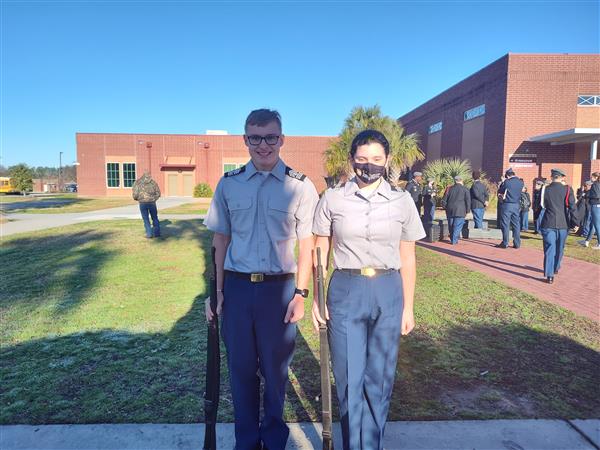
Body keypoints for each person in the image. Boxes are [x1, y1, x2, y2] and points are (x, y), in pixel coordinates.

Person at [204, 109, 319, 450]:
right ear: (245, 140)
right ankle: (246, 442)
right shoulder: (229, 183)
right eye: (255, 137)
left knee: (275, 373)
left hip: (279, 291)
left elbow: (308, 243)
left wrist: (300, 292)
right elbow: (220, 240)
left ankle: (272, 439)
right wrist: (218, 292)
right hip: (238, 288)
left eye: (270, 137)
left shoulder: (300, 186)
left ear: (281, 139)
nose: (263, 145)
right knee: (240, 372)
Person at [312, 129, 425, 450]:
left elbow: (408, 256)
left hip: (388, 289)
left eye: (376, 159)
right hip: (346, 288)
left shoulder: (402, 201)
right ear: (351, 160)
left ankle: (372, 445)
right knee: (349, 379)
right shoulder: (333, 197)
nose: (369, 165)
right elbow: (320, 248)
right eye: (362, 159)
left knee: (380, 378)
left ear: (387, 160)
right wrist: (317, 301)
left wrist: (408, 307)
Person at [539, 168, 576, 283]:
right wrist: (575, 223)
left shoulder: (545, 189)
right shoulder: (568, 189)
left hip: (548, 222)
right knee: (560, 248)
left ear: (551, 177)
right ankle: (555, 268)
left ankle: (549, 275)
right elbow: (572, 207)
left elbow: (541, 205)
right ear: (562, 177)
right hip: (563, 223)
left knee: (550, 248)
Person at [496, 168, 524, 248]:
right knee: (516, 224)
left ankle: (505, 242)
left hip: (507, 205)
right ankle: (517, 243)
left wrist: (502, 183)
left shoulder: (507, 182)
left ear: (507, 175)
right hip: (516, 205)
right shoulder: (520, 182)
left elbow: (501, 191)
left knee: (505, 224)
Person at [442, 175, 471, 245]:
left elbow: (444, 199)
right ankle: (454, 240)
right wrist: (467, 210)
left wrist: (445, 207)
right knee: (457, 226)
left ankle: (453, 238)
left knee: (451, 225)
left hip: (450, 209)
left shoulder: (449, 188)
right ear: (461, 180)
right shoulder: (465, 189)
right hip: (460, 210)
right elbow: (468, 200)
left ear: (455, 181)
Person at [132, 171, 161, 238]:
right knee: (155, 218)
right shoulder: (153, 183)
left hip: (142, 203)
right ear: (149, 175)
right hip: (152, 203)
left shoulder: (137, 183)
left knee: (146, 219)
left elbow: (135, 194)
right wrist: (154, 199)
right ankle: (157, 234)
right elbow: (158, 193)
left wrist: (138, 199)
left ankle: (149, 234)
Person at [578, 172, 600, 249]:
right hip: (596, 205)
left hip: (595, 205)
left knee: (597, 225)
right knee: (593, 225)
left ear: (596, 177)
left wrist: (588, 195)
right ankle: (586, 241)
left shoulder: (596, 184)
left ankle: (599, 244)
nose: (591, 178)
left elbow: (596, 195)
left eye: (592, 177)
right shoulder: (596, 184)